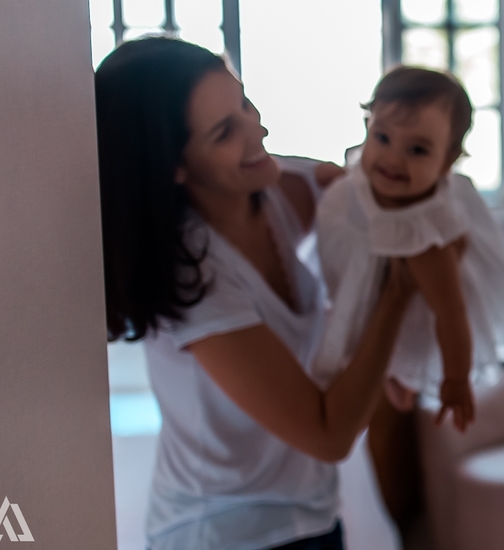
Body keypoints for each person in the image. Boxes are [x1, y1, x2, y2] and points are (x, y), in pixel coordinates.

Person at [96, 37, 458, 550]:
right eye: (226, 131)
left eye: (243, 103)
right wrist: (395, 296)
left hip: (311, 516)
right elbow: (329, 434)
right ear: (173, 166)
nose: (257, 129)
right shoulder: (195, 278)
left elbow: (387, 203)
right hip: (223, 533)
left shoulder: (278, 187)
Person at [311, 66, 504, 533]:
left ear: (448, 163)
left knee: (393, 349)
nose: (392, 158)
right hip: (365, 291)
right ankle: (392, 376)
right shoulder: (354, 185)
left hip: (419, 318)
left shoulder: (426, 231)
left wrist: (455, 380)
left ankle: (401, 375)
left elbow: (451, 313)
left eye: (418, 150)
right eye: (382, 137)